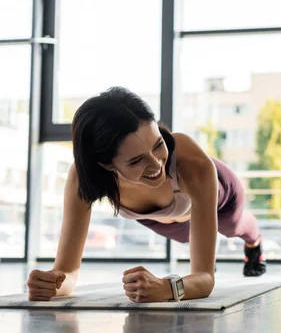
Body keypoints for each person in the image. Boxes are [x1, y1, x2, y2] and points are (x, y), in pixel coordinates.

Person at [27, 87, 266, 303]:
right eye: (136, 160)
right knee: (186, 238)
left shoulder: (191, 164)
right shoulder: (84, 177)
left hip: (221, 197)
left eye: (158, 144)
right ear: (106, 165)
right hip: (162, 219)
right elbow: (67, 273)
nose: (156, 165)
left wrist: (167, 287)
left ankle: (254, 244)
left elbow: (205, 278)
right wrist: (52, 285)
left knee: (233, 226)